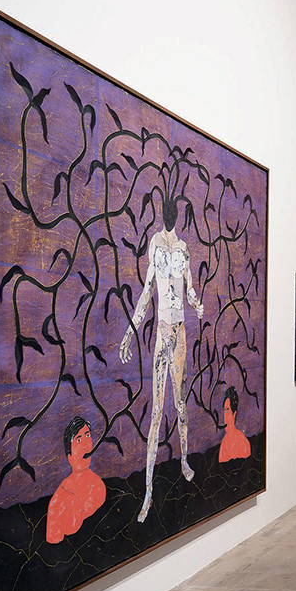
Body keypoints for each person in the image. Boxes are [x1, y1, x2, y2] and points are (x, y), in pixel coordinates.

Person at [119, 195, 204, 522]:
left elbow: (189, 287)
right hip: (164, 330)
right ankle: (148, 493)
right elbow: (146, 290)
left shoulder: (183, 248)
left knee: (180, 404)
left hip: (180, 330)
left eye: (172, 211)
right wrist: (131, 330)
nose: (169, 215)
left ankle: (184, 461)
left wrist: (196, 304)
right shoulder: (155, 245)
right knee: (157, 411)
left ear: (175, 215)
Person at [46, 417, 106, 543]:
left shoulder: (98, 485)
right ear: (69, 457)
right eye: (78, 440)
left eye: (87, 436)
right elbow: (54, 543)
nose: (85, 445)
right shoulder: (60, 500)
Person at [219, 385, 251, 462]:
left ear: (234, 414)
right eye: (224, 411)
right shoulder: (224, 443)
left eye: (227, 410)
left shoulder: (243, 442)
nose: (225, 416)